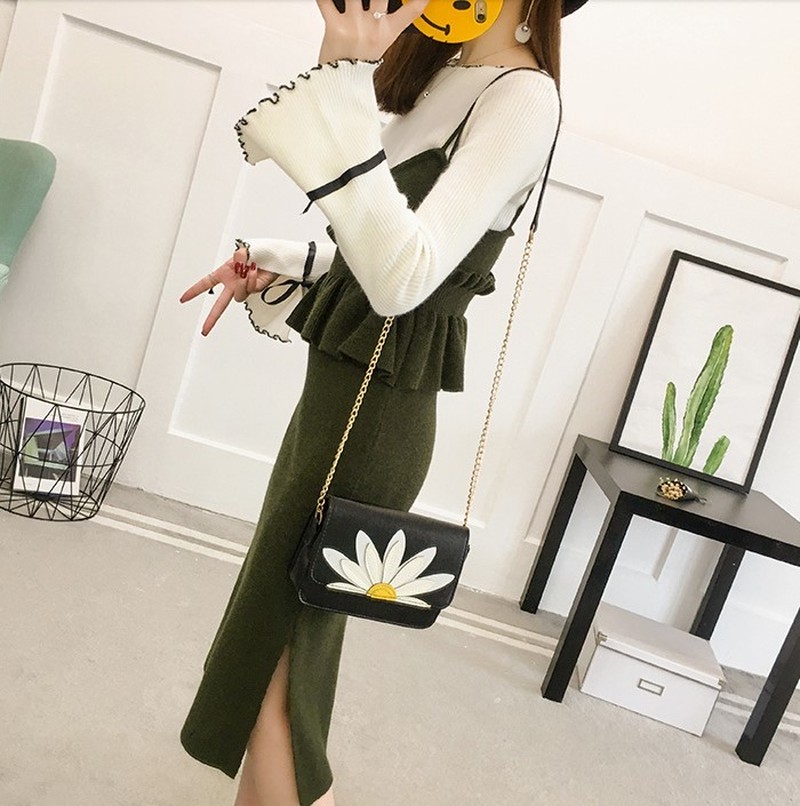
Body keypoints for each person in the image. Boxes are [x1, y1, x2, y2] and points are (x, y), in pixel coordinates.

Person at [178, 1, 587, 804]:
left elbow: (407, 280)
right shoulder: (446, 73)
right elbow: (373, 249)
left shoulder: (523, 98)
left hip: (377, 418)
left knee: (279, 650)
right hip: (334, 401)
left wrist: (343, 78)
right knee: (278, 645)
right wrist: (276, 258)